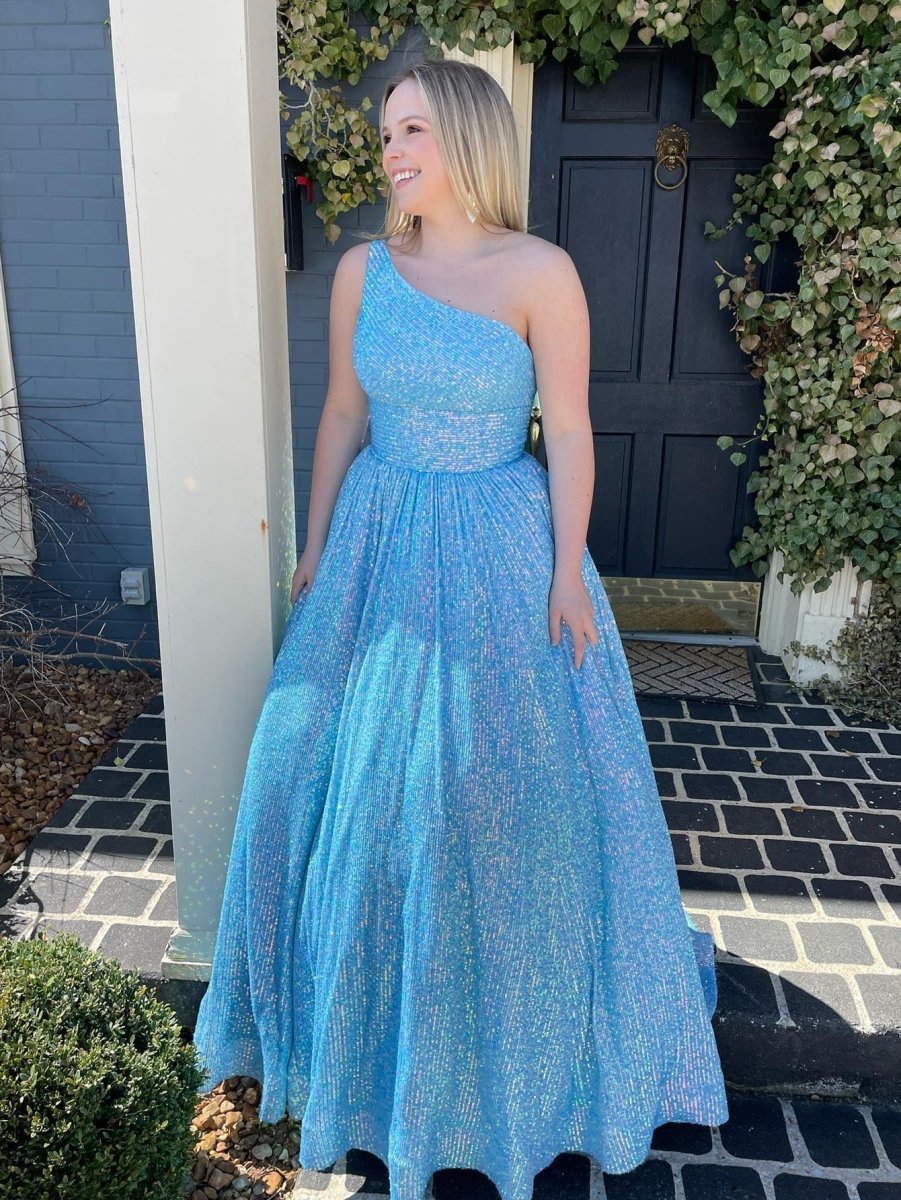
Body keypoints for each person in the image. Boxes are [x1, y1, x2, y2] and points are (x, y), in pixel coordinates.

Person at [192, 56, 729, 1200]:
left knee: (490, 796)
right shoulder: (361, 271)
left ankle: (516, 1073)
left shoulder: (540, 271)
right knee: (329, 779)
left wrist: (566, 573)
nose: (391, 151)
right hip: (378, 541)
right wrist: (316, 543)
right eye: (387, 132)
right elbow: (344, 410)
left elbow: (569, 429)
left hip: (501, 542)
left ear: (470, 139)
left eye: (413, 131)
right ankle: (366, 1060)